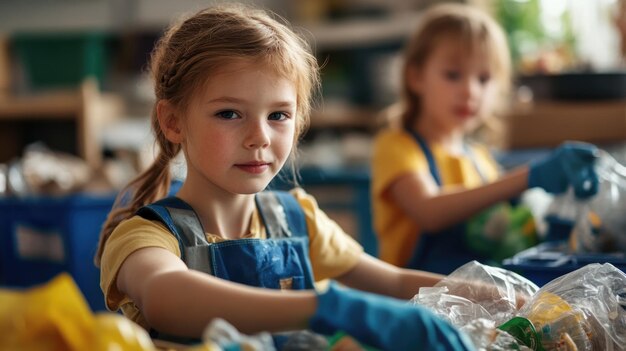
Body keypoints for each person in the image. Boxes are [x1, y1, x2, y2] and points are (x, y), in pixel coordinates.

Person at [94, 4, 475, 350]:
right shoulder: (144, 237)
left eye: (278, 115)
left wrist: (504, 296)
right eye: (229, 113)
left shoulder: (299, 220)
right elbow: (166, 297)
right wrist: (327, 308)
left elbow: (391, 283)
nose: (259, 137)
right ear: (173, 121)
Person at [371, 3, 599, 275]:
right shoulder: (397, 146)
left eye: (484, 78)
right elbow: (429, 212)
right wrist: (527, 178)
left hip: (473, 300)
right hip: (415, 300)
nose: (470, 91)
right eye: (453, 75)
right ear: (416, 76)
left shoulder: (480, 160)